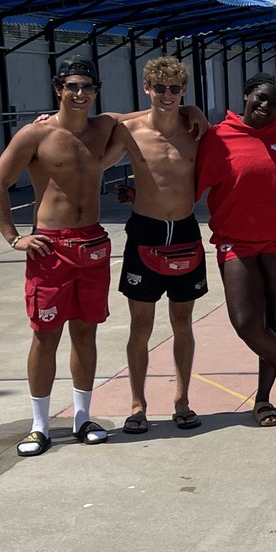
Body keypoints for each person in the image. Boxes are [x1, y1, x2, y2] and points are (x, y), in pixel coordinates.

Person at [0, 59, 135, 455]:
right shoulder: (36, 134)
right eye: (72, 86)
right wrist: (13, 238)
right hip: (50, 247)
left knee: (86, 333)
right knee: (45, 335)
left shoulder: (103, 126)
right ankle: (39, 425)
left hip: (91, 243)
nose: (80, 93)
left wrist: (192, 111)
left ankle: (81, 417)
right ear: (58, 88)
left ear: (95, 91)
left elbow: (151, 115)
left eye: (87, 87)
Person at [195, 72, 276, 427]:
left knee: (275, 319)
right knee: (246, 322)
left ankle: (263, 399)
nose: (266, 106)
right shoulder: (218, 137)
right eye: (261, 97)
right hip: (236, 240)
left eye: (274, 103)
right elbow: (190, 182)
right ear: (247, 95)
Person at [114, 55, 209, 434]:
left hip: (184, 230)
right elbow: (95, 123)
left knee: (182, 322)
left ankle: (182, 400)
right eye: (159, 89)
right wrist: (48, 122)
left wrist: (191, 110)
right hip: (145, 231)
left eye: (174, 89)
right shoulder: (130, 130)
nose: (167, 96)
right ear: (146, 88)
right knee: (141, 324)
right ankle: (137, 405)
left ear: (184, 90)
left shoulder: (197, 130)